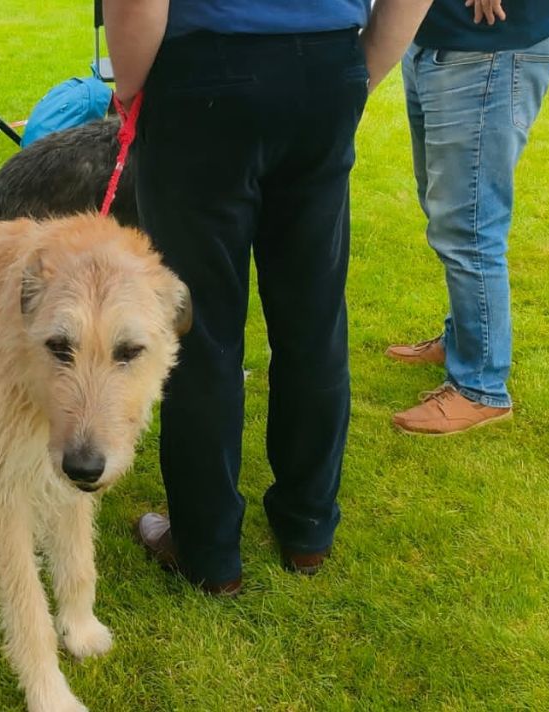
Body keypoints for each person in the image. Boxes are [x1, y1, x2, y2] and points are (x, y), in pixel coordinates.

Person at [102, 0, 434, 594]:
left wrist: (127, 92)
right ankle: (307, 528)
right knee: (313, 319)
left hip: (203, 74)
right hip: (326, 66)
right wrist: (354, 72)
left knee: (200, 329)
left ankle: (207, 548)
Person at [387, 0, 549, 435]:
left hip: (489, 49)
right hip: (436, 38)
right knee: (446, 208)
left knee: (469, 224)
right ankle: (464, 343)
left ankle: (480, 387)